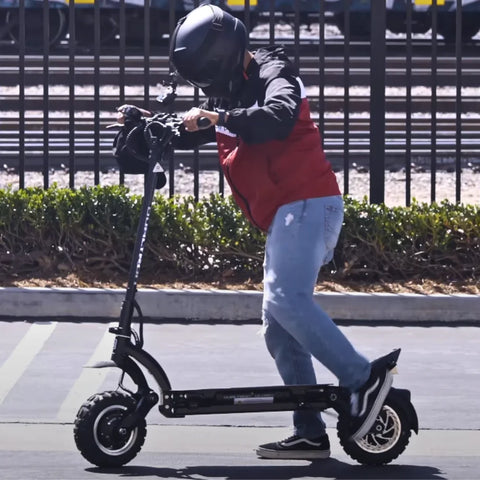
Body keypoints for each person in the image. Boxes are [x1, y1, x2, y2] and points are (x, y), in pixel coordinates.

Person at [122, 3, 398, 461]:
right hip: (290, 213)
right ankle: (309, 432)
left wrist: (218, 117)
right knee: (279, 326)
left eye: (206, 80)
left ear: (222, 58)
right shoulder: (230, 91)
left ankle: (363, 380)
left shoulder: (276, 76)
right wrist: (150, 126)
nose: (207, 92)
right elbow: (197, 127)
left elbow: (277, 118)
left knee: (287, 302)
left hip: (309, 204)